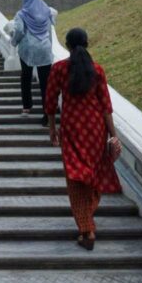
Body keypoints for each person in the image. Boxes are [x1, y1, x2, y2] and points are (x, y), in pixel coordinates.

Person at [45, 27, 122, 251]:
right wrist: (113, 135)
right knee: (93, 172)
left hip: (72, 129)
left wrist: (52, 129)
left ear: (68, 45)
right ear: (87, 43)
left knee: (75, 176)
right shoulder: (97, 70)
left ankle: (86, 229)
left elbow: (50, 101)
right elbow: (106, 107)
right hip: (96, 130)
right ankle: (87, 219)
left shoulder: (59, 69)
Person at [9, 0, 55, 124]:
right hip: (44, 49)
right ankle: (47, 113)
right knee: (46, 82)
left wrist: (14, 42)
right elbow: (49, 31)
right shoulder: (47, 12)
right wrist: (49, 48)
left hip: (28, 49)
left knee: (26, 77)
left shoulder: (21, 14)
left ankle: (27, 106)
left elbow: (19, 30)